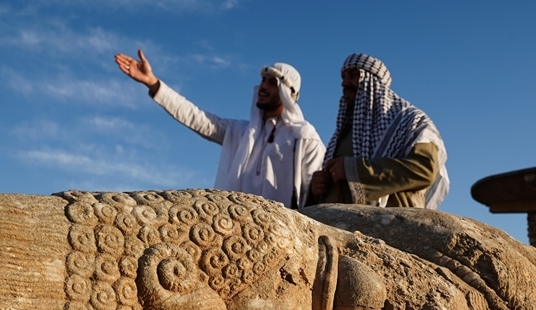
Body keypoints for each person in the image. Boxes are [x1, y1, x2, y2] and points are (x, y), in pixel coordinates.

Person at [115, 50, 325, 209]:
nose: (263, 87)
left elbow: (313, 196)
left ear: (288, 93)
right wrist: (153, 83)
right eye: (263, 81)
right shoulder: (240, 132)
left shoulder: (304, 137)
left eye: (272, 83)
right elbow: (197, 117)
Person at [308, 53, 449, 209]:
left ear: (372, 81)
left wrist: (354, 169)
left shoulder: (410, 120)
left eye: (353, 75)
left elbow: (424, 168)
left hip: (390, 226)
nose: (345, 83)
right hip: (337, 227)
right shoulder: (343, 133)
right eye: (343, 77)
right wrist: (315, 191)